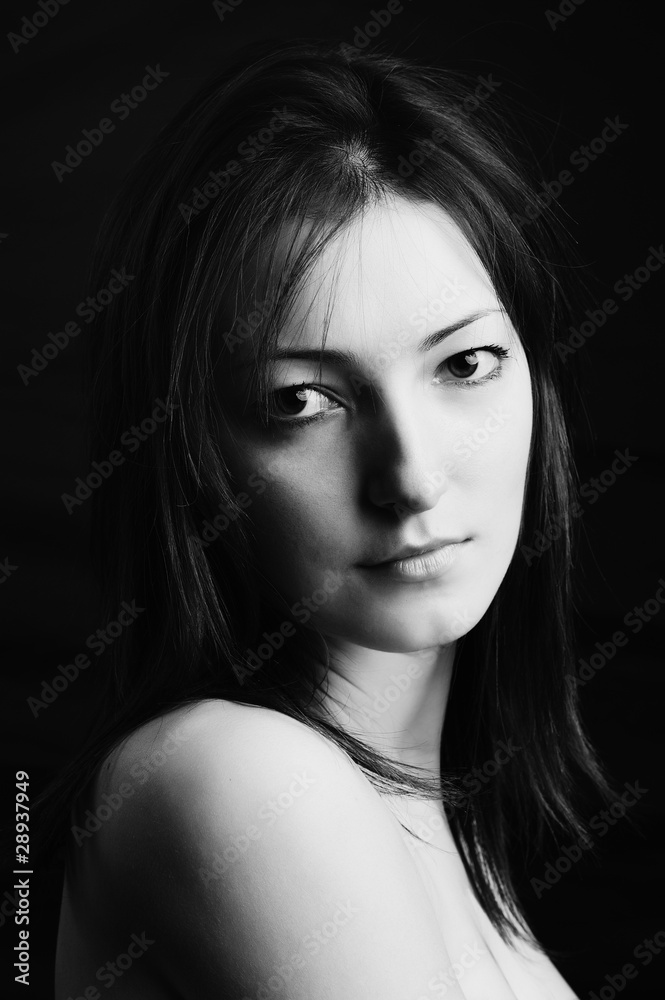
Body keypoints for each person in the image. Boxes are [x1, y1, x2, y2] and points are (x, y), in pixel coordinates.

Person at [39, 37, 612, 999]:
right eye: (302, 401)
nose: (411, 477)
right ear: (189, 448)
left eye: (464, 364)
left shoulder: (437, 824)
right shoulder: (238, 780)